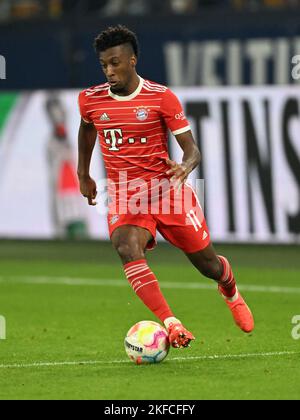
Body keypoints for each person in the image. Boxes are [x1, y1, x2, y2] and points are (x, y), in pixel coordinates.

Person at [77, 25, 254, 349]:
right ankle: (171, 324)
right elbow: (87, 128)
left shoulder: (161, 97)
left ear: (132, 60)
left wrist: (186, 166)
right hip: (125, 194)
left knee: (208, 265)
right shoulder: (90, 99)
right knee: (126, 246)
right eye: (104, 65)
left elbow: (192, 149)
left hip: (167, 192)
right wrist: (83, 173)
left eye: (115, 63)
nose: (109, 71)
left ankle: (229, 286)